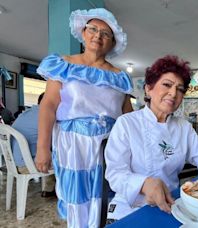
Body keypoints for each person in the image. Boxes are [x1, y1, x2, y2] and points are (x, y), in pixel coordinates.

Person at [34, 8, 133, 228]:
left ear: (113, 42)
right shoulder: (63, 64)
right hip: (73, 145)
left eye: (106, 33)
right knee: (77, 198)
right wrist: (43, 148)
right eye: (93, 29)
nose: (98, 35)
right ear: (83, 32)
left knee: (105, 197)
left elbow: (128, 116)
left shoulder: (120, 77)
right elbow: (48, 106)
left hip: (110, 147)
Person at [105, 55, 198, 223]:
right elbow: (115, 173)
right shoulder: (127, 123)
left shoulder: (183, 127)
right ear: (148, 89)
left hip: (171, 205)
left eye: (180, 89)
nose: (173, 93)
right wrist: (143, 184)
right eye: (167, 84)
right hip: (129, 208)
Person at [12, 93, 56, 197]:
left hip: (13, 162)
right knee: (65, 158)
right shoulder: (46, 116)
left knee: (47, 152)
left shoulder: (26, 113)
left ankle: (48, 189)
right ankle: (64, 193)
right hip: (26, 165)